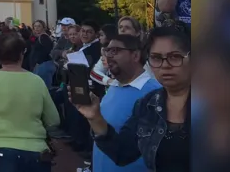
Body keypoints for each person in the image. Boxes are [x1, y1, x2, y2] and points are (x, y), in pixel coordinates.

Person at [73, 27, 191, 172]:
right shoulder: (148, 104)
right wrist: (95, 117)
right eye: (156, 58)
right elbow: (123, 152)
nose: (165, 65)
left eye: (174, 56)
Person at [0, 33, 59, 171]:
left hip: (0, 149)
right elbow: (53, 120)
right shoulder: (36, 81)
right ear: (22, 53)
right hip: (35, 150)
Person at [90, 34, 161, 172]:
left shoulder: (154, 93)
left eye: (115, 51)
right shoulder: (114, 86)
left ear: (135, 55)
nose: (109, 56)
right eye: (107, 51)